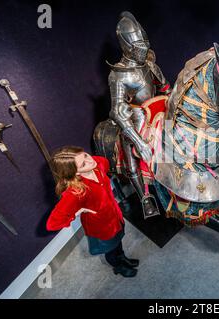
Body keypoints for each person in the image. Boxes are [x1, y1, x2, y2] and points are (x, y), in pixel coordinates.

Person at [94, 11, 171, 219]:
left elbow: (165, 88)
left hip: (157, 112)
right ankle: (144, 197)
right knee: (131, 145)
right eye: (139, 47)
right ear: (127, 46)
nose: (144, 50)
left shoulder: (150, 65)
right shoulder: (118, 75)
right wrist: (140, 142)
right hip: (134, 116)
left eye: (145, 45)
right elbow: (117, 111)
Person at [46, 146, 139, 277]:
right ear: (76, 173)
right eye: (83, 164)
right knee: (111, 250)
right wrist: (79, 211)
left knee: (118, 243)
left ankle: (123, 259)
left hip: (115, 217)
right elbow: (52, 224)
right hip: (102, 228)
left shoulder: (98, 164)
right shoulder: (75, 193)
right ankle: (119, 267)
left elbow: (105, 163)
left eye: (85, 155)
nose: (90, 161)